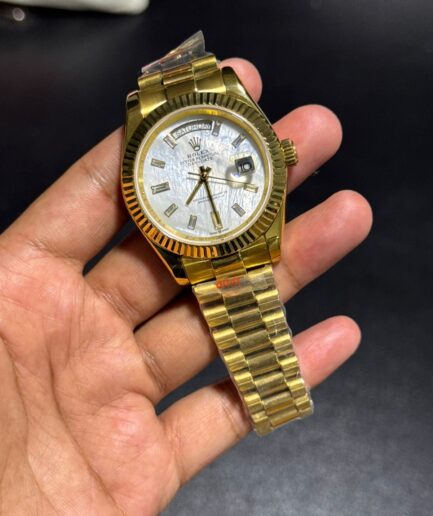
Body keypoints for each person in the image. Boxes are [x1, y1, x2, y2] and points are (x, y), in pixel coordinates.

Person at [0, 58, 372, 514]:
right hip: (202, 250)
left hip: (242, 236)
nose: (201, 174)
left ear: (279, 155)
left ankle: (275, 391)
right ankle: (273, 393)